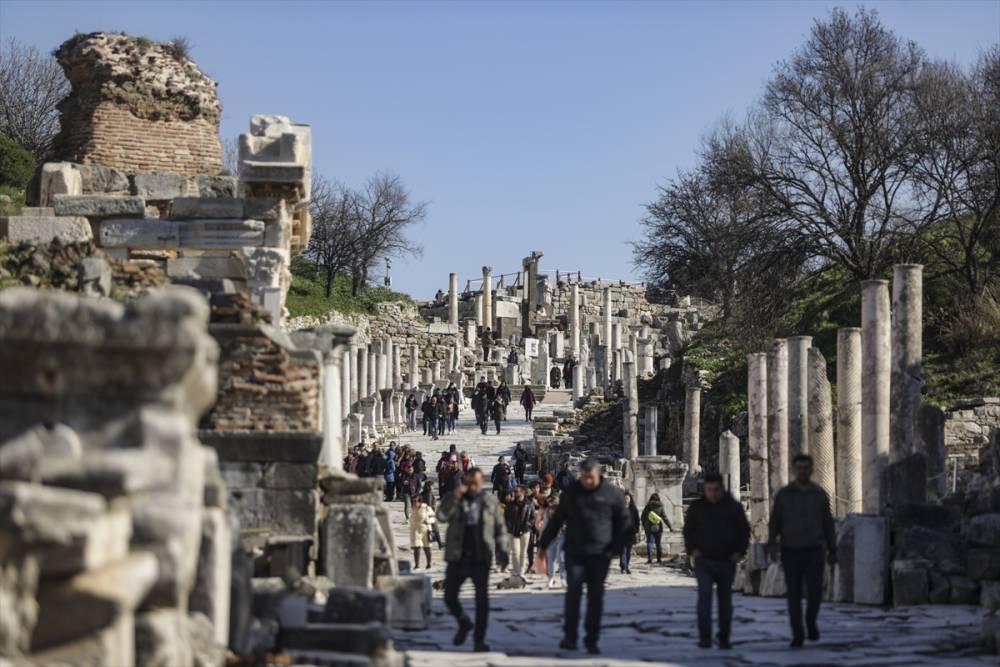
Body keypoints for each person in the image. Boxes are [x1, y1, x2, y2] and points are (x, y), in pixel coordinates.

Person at [537, 458, 631, 655]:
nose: (587, 481)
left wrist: (616, 548)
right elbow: (557, 520)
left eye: (591, 477)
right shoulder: (572, 492)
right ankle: (570, 637)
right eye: (584, 477)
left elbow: (624, 523)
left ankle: (592, 639)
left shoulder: (611, 494)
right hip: (575, 552)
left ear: (598, 475)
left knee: (595, 597)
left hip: (600, 553)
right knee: (573, 595)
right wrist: (543, 545)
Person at [437, 467, 509, 652]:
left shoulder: (490, 502)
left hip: (480, 557)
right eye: (468, 483)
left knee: (481, 602)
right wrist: (454, 496)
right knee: (449, 597)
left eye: (475, 483)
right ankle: (463, 622)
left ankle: (479, 640)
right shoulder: (455, 498)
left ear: (481, 483)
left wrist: (502, 552)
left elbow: (500, 529)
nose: (471, 487)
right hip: (457, 557)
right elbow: (441, 517)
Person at [768, 453, 837, 648]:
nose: (803, 471)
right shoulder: (784, 494)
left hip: (815, 550)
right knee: (794, 594)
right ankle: (797, 633)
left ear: (811, 470)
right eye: (799, 468)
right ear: (794, 470)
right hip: (791, 549)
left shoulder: (819, 494)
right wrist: (772, 545)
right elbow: (775, 522)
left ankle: (810, 621)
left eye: (806, 468)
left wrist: (833, 549)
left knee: (815, 592)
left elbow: (828, 524)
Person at [684, 472, 750, 649]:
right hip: (703, 560)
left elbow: (744, 530)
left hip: (726, 560)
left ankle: (724, 637)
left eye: (715, 490)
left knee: (725, 601)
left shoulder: (733, 507)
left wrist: (739, 551)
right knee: (704, 599)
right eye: (709, 490)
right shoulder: (697, 507)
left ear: (722, 489)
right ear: (704, 490)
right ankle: (705, 637)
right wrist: (692, 550)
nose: (712, 493)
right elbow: (688, 530)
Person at [504, 485, 535, 578]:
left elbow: (532, 518)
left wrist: (527, 526)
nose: (515, 493)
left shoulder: (529, 504)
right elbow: (506, 518)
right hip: (513, 532)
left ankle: (521, 571)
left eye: (517, 491)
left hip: (525, 531)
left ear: (523, 493)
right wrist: (509, 527)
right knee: (515, 552)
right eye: (515, 491)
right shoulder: (510, 505)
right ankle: (516, 571)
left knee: (523, 552)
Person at [540, 496, 566, 588]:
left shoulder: (564, 511)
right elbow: (545, 525)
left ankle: (563, 579)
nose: (552, 509)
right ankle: (551, 578)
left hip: (563, 536)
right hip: (552, 538)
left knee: (562, 558)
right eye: (550, 507)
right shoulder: (547, 512)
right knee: (551, 559)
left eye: (554, 506)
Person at [641, 493, 671, 564]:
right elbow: (665, 518)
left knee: (650, 543)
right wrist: (670, 527)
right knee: (658, 544)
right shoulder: (660, 507)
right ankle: (659, 559)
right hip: (658, 527)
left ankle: (650, 559)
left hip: (648, 527)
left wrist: (644, 525)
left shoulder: (647, 506)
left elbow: (643, 517)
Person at [410, 495, 436, 569]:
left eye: (416, 501)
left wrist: (428, 521)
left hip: (425, 530)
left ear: (420, 501)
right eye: (413, 501)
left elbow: (433, 517)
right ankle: (417, 565)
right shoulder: (413, 508)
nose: (415, 503)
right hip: (415, 530)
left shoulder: (426, 507)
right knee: (416, 547)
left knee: (427, 548)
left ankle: (429, 563)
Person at [620, 492, 640, 574]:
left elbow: (637, 521)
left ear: (630, 499)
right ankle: (623, 567)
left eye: (628, 498)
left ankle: (627, 566)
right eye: (625, 498)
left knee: (628, 552)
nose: (626, 500)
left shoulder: (634, 509)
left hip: (631, 533)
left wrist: (636, 530)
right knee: (622, 551)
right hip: (621, 533)